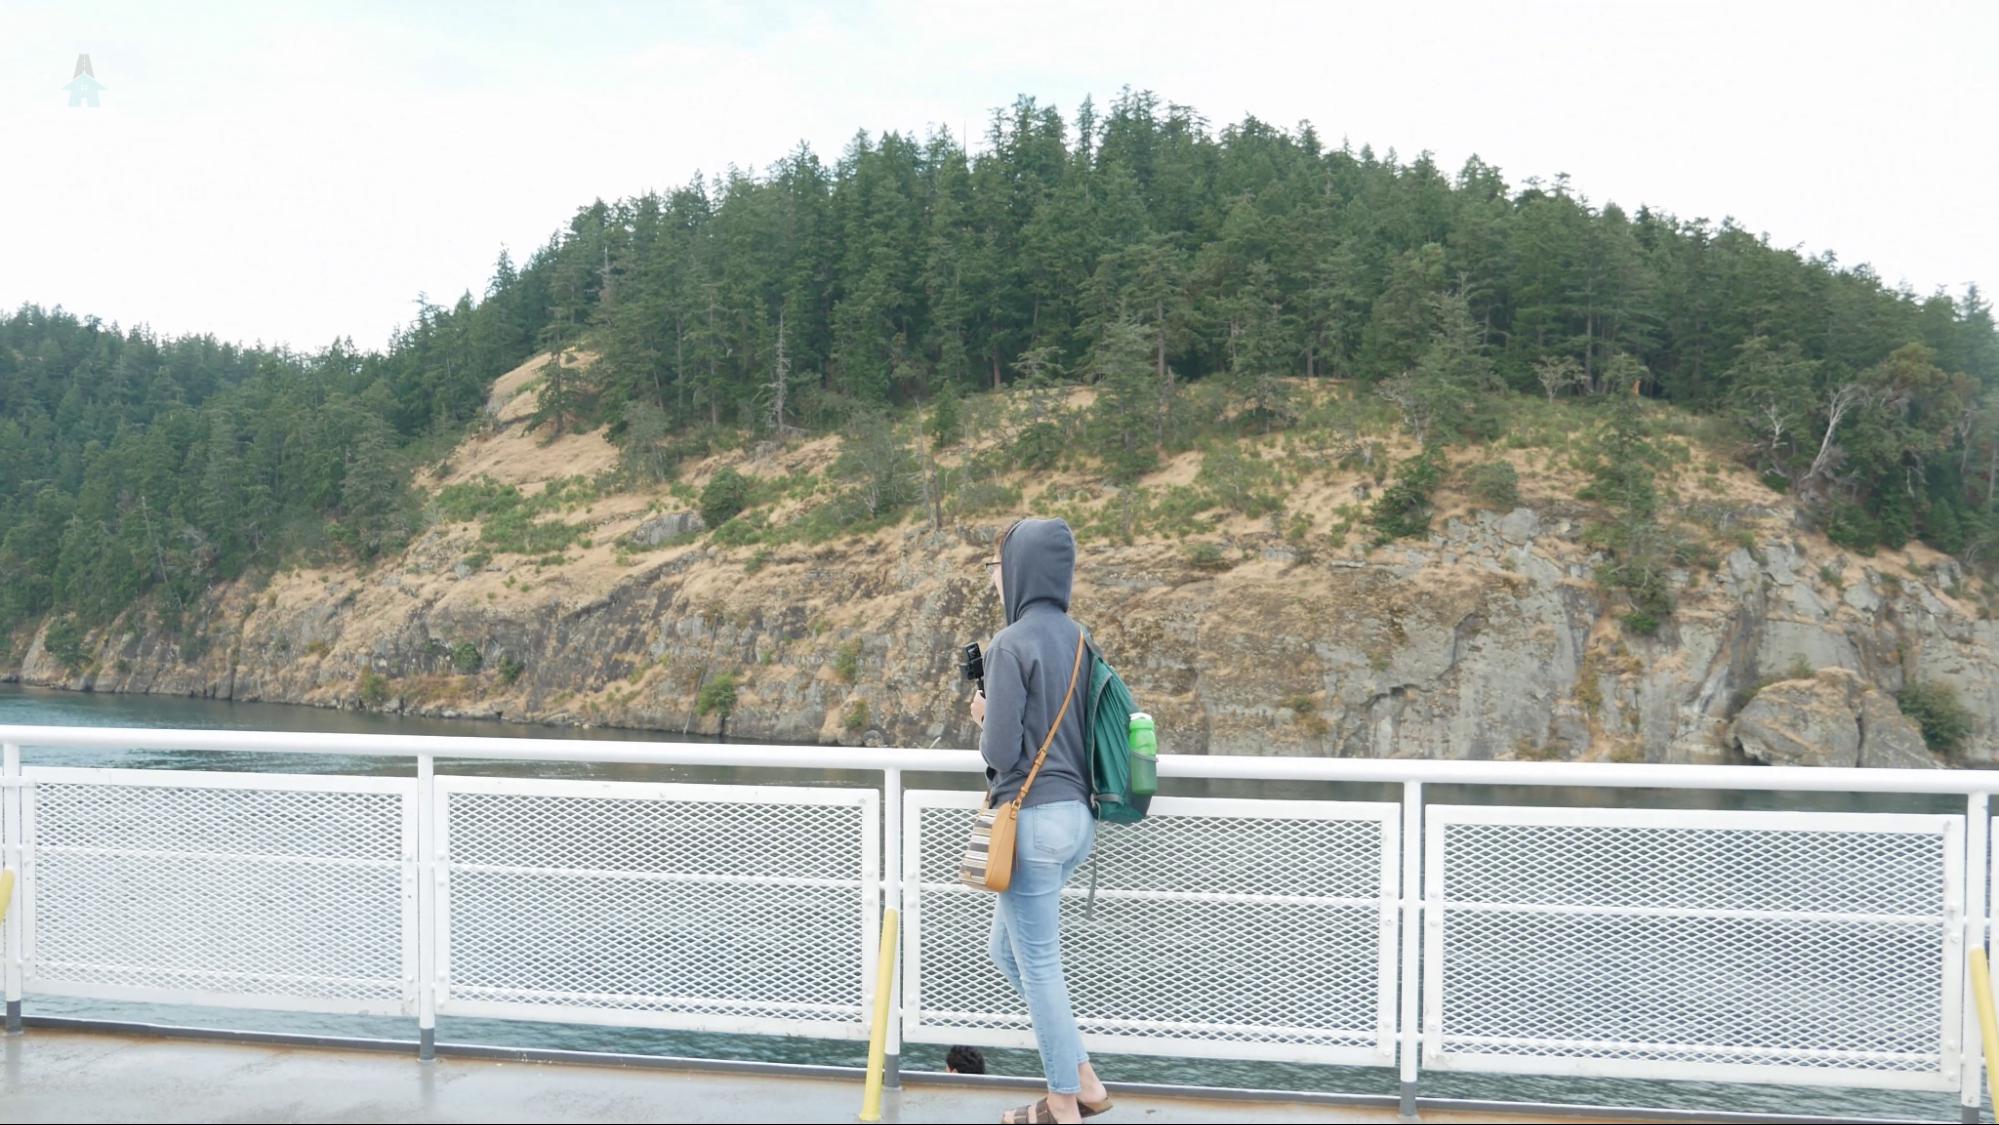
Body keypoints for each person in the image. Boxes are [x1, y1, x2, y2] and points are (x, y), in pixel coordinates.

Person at [969, 517, 1113, 1124]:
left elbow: (1000, 753)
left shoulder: (1010, 645)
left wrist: (982, 712)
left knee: (1041, 966)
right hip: (1077, 819)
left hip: (1031, 820)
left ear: (1022, 570)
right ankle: (1085, 1081)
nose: (998, 581)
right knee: (1008, 952)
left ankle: (1060, 1106)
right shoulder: (1082, 639)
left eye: (1000, 568)